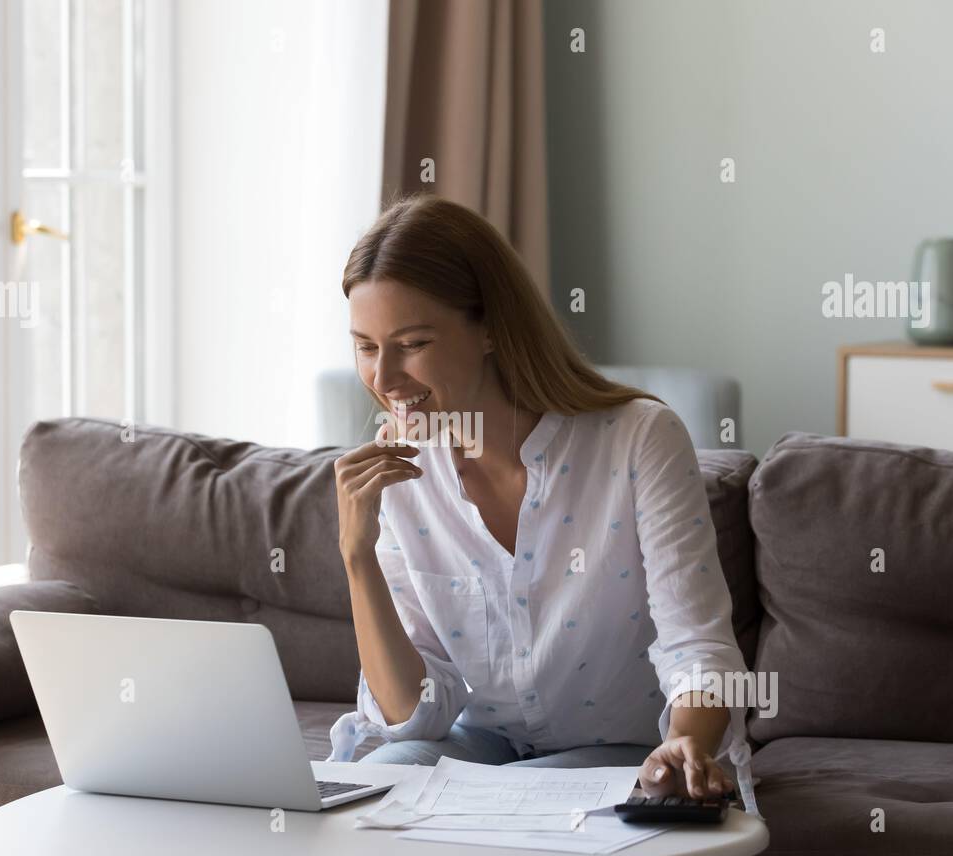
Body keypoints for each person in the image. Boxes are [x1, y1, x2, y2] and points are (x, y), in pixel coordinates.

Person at [325, 193, 761, 820]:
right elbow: (413, 716)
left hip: (625, 749)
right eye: (365, 346)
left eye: (412, 343)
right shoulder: (401, 472)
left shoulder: (639, 438)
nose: (384, 377)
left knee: (509, 808)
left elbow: (697, 644)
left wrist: (686, 741)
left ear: (491, 328)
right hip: (481, 745)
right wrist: (357, 555)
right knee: (372, 791)